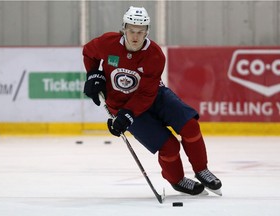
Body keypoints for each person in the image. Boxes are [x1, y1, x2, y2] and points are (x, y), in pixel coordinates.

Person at [82, 6, 222, 196]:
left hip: (154, 96)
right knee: (169, 146)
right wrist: (93, 74)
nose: (135, 36)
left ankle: (201, 169)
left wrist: (127, 116)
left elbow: (146, 94)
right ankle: (177, 180)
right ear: (123, 28)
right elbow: (89, 52)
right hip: (121, 105)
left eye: (140, 32)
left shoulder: (155, 54)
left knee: (189, 125)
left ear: (147, 31)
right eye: (131, 30)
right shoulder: (108, 42)